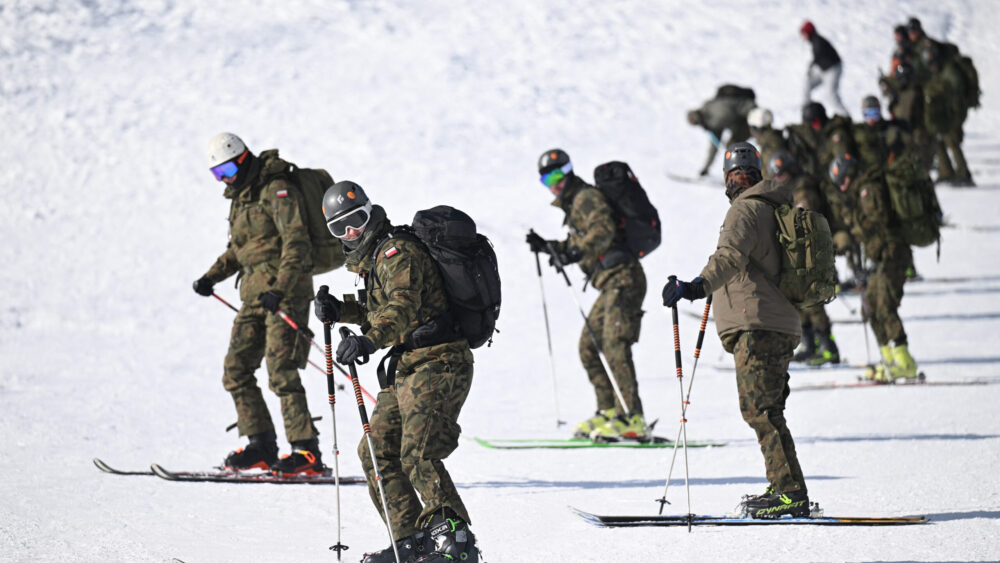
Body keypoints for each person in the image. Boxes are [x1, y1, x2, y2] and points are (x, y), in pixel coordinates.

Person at [314, 181, 479, 563]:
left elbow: (403, 303)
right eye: (340, 228)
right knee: (375, 452)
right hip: (409, 366)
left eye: (355, 220)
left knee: (418, 454)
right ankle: (412, 542)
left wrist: (369, 341)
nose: (351, 232)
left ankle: (455, 543)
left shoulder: (395, 251)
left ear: (369, 212)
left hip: (440, 361)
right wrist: (341, 310)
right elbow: (380, 305)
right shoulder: (376, 260)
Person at [662, 142, 810, 518]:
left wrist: (695, 287)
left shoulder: (744, 210)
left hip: (757, 323)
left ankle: (789, 492)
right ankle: (788, 488)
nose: (737, 179)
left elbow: (729, 257)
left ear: (730, 179)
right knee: (770, 410)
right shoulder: (778, 207)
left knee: (759, 410)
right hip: (782, 323)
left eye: (736, 175)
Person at [192, 133, 322, 474]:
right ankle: (260, 445)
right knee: (235, 370)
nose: (225, 179)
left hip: (286, 294)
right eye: (217, 175)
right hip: (254, 296)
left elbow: (297, 243)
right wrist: (210, 277)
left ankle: (306, 451)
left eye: (227, 170)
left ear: (243, 157)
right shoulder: (242, 198)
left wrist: (280, 288)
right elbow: (241, 250)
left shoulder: (277, 189)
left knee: (281, 372)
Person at [526, 149, 648, 441]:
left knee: (614, 344)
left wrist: (575, 252)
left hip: (624, 278)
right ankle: (608, 411)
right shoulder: (575, 203)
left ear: (567, 172)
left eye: (556, 176)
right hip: (609, 283)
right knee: (589, 346)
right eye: (546, 180)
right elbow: (580, 239)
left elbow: (602, 231)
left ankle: (631, 418)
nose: (553, 184)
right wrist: (549, 246)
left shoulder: (586, 197)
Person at [828, 154, 919, 381]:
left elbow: (879, 220)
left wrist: (855, 229)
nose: (842, 187)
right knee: (869, 306)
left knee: (885, 305)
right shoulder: (858, 194)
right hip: (881, 256)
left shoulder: (867, 190)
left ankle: (905, 361)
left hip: (893, 253)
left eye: (843, 181)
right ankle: (888, 360)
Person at [767, 150, 841, 366]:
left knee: (812, 302)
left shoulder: (803, 190)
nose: (779, 179)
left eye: (781, 175)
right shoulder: (792, 189)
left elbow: (803, 219)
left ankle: (829, 348)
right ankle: (810, 345)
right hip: (798, 254)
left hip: (811, 253)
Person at [923, 45, 974, 186]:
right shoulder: (939, 72)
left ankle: (964, 173)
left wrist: (939, 91)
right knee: (939, 141)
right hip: (944, 113)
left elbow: (956, 89)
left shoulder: (949, 70)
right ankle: (946, 172)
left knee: (952, 141)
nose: (931, 67)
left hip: (954, 112)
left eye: (932, 63)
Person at [687, 85, 757, 176]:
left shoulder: (714, 117)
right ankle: (741, 173)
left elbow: (731, 114)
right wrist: (706, 168)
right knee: (733, 146)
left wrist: (754, 116)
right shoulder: (710, 112)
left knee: (733, 147)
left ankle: (744, 174)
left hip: (752, 116)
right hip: (749, 117)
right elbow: (714, 146)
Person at [801, 21, 849, 117]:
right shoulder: (815, 41)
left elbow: (818, 57)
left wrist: (812, 66)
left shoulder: (818, 41)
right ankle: (806, 112)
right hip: (824, 70)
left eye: (804, 34)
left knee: (831, 95)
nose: (803, 37)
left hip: (832, 70)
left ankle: (846, 117)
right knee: (807, 83)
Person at [748, 107, 785, 179]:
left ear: (755, 128)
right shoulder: (774, 139)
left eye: (751, 128)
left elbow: (772, 177)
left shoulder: (770, 145)